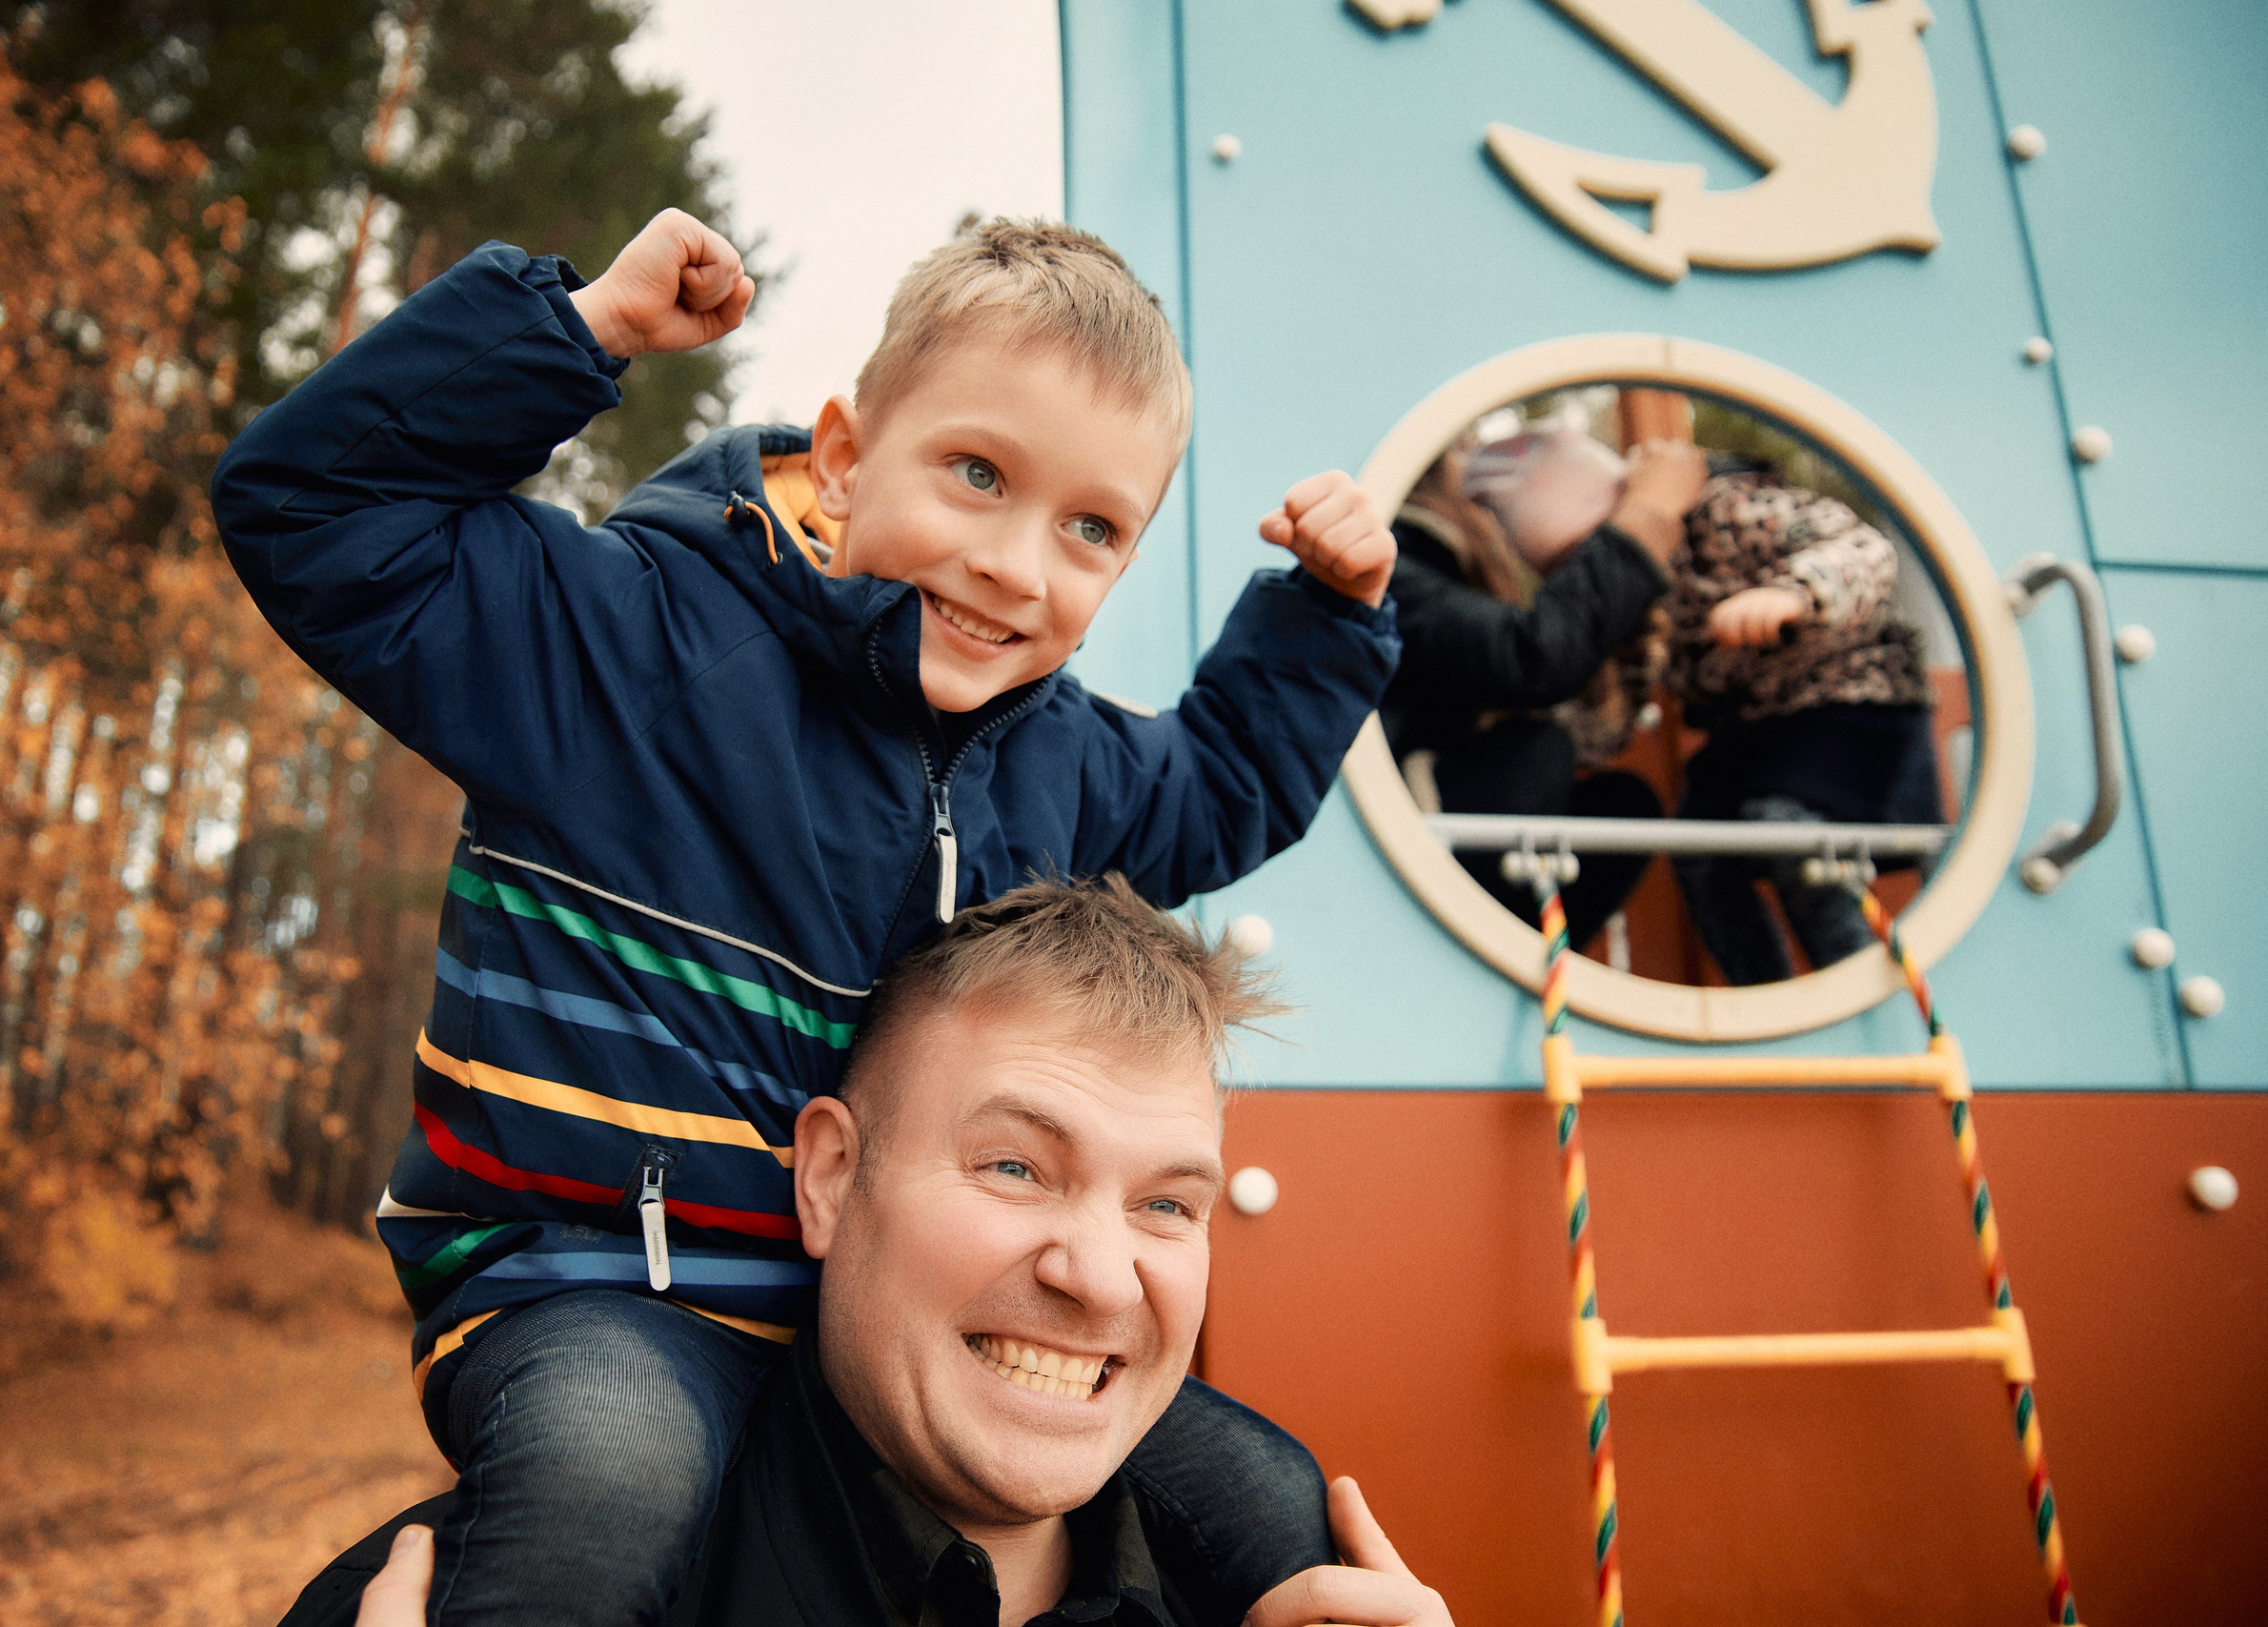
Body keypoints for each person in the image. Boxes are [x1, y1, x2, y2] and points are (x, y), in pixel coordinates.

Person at [212, 210, 1399, 1624]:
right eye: (977, 473)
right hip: (607, 1289)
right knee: (612, 1485)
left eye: (1090, 528)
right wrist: (575, 332)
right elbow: (311, 507)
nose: (1019, 564)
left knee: (1266, 1491)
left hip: (882, 1324)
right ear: (842, 454)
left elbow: (1220, 791)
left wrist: (1328, 618)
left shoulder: (1061, 763)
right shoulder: (627, 647)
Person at [283, 880, 1450, 1627]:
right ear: (831, 1178)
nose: (1098, 1277)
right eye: (1014, 1168)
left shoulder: (1281, 1592)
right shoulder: (494, 1594)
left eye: (1165, 1208)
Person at [1379, 423, 1708, 947]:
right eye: (1464, 450)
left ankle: (1529, 962)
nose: (1480, 470)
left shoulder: (1467, 572)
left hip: (1451, 804)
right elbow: (1534, 659)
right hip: (1400, 824)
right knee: (1539, 751)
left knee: (1624, 802)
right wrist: (1643, 518)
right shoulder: (1394, 559)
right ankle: (1475, 950)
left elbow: (1576, 702)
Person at [1661, 464, 1939, 984]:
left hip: (1850, 701)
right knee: (1698, 844)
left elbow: (1863, 549)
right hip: (1756, 726)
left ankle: (1853, 985)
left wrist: (1798, 592)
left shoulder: (1731, 510)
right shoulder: (1635, 576)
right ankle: (1765, 995)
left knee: (1789, 831)